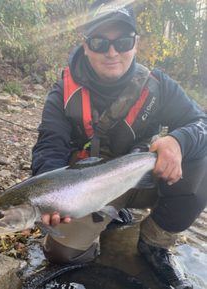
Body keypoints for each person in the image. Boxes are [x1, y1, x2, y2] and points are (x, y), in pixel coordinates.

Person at [31, 0, 207, 288]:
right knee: (63, 254)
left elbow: (201, 124)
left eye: (123, 41)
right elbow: (49, 146)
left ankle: (155, 244)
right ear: (85, 45)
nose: (112, 52)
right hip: (88, 188)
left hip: (143, 178)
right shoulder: (63, 91)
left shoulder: (159, 86)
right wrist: (46, 194)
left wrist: (177, 140)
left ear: (135, 43)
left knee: (199, 154)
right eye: (100, 42)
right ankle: (111, 217)